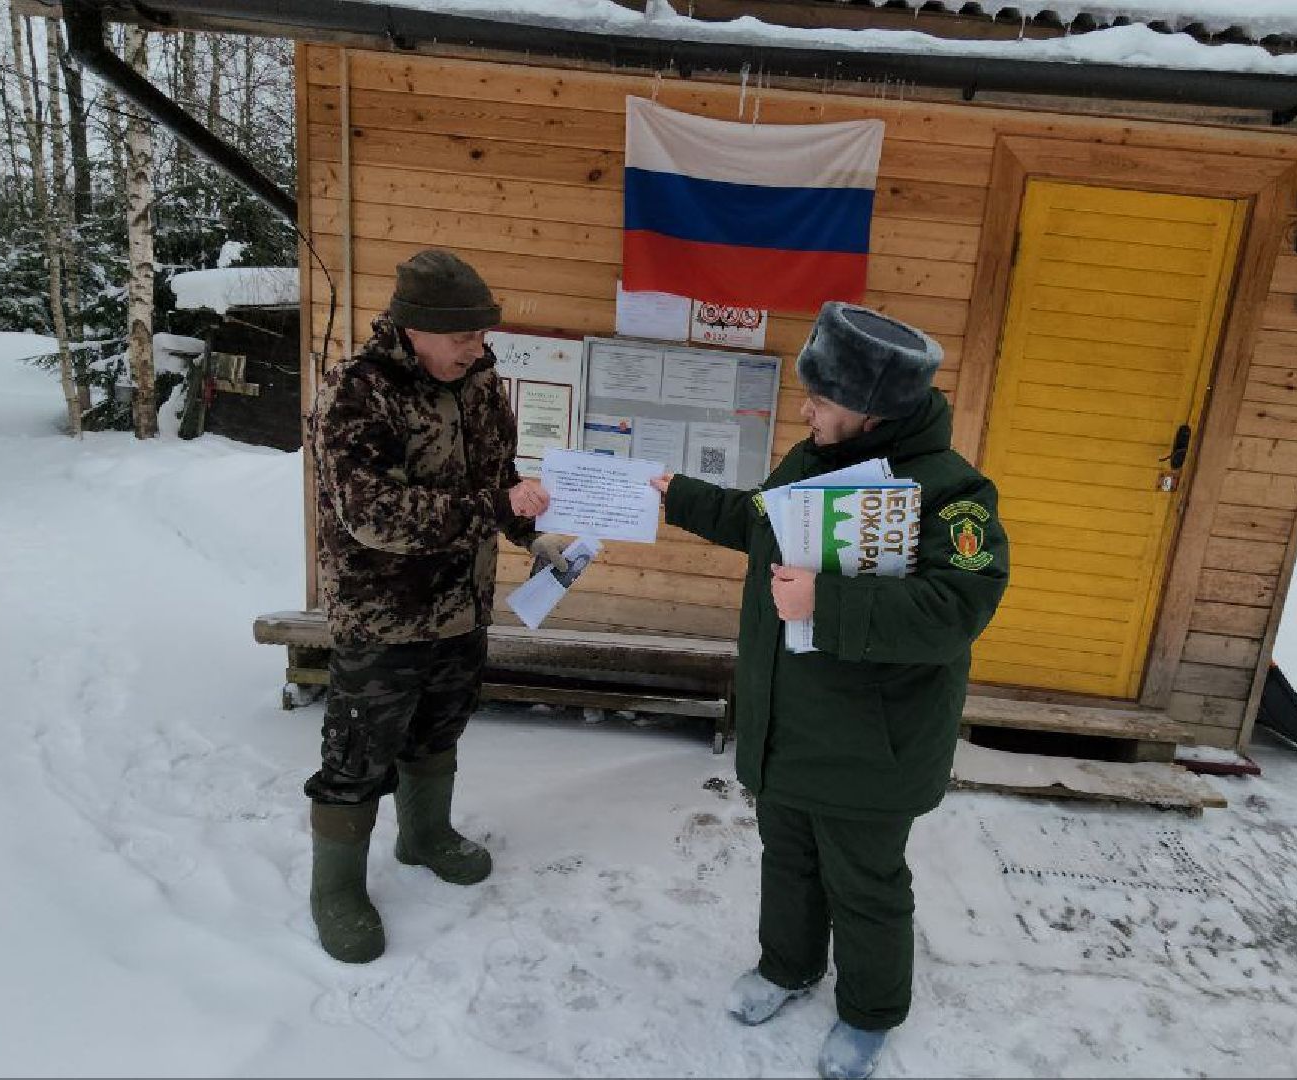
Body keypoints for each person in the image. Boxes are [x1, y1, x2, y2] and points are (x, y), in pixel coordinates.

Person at [653, 301, 1009, 1079]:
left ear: (870, 407)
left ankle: (870, 1013)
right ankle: (787, 968)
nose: (804, 408)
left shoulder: (954, 495)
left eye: (819, 397)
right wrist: (673, 492)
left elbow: (958, 609)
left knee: (866, 884)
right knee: (787, 860)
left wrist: (828, 603)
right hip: (787, 723)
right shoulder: (811, 459)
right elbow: (757, 520)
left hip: (874, 746)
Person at [303, 249, 571, 964]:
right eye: (463, 339)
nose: (476, 351)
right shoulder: (357, 392)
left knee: (439, 729)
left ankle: (423, 835)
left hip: (460, 605)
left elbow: (499, 476)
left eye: (481, 337)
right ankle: (336, 890)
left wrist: (530, 533)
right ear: (414, 329)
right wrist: (492, 506)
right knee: (358, 753)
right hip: (383, 616)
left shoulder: (479, 386)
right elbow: (372, 515)